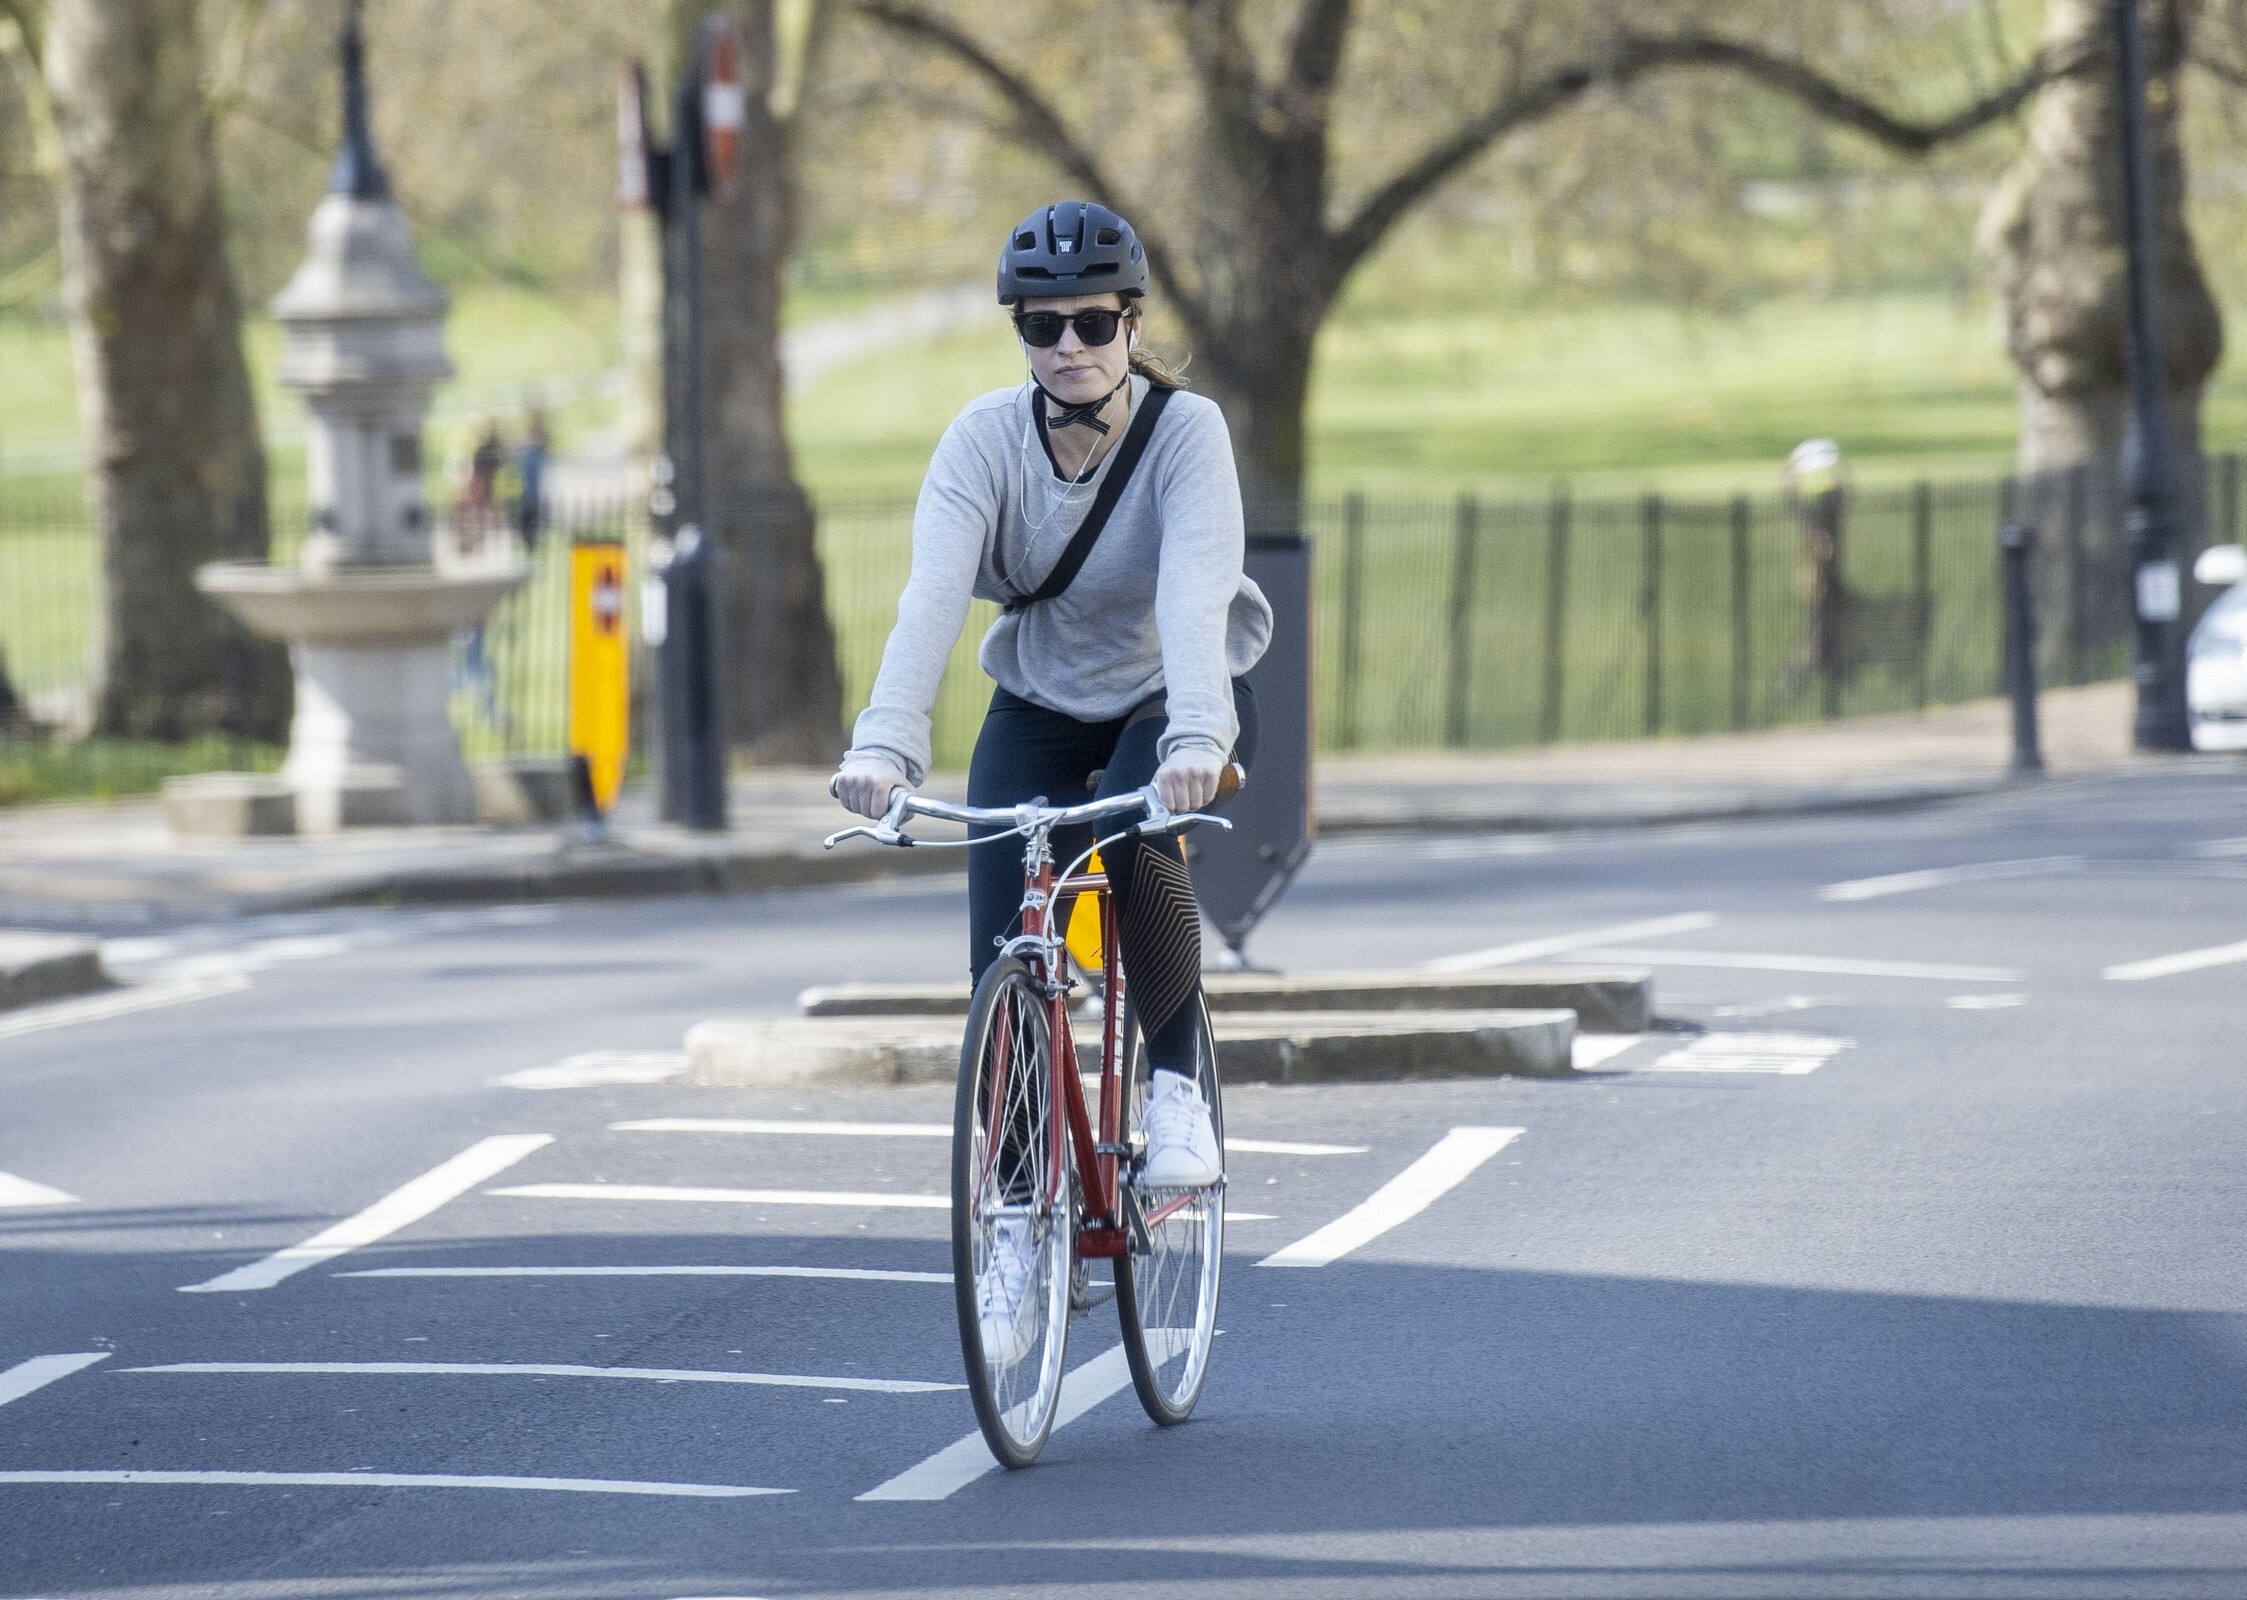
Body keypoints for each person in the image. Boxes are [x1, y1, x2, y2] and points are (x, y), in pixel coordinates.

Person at [831, 201, 1271, 1355]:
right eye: (1041, 326)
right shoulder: (982, 442)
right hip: (1037, 701)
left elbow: (1194, 598)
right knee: (1002, 956)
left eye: (1091, 322)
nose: (1068, 345)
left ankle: (1175, 1086)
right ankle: (1021, 1220)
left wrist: (1195, 741)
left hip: (1172, 697)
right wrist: (884, 747)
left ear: (1133, 323)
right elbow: (930, 600)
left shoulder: (1187, 434)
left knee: (1133, 839)